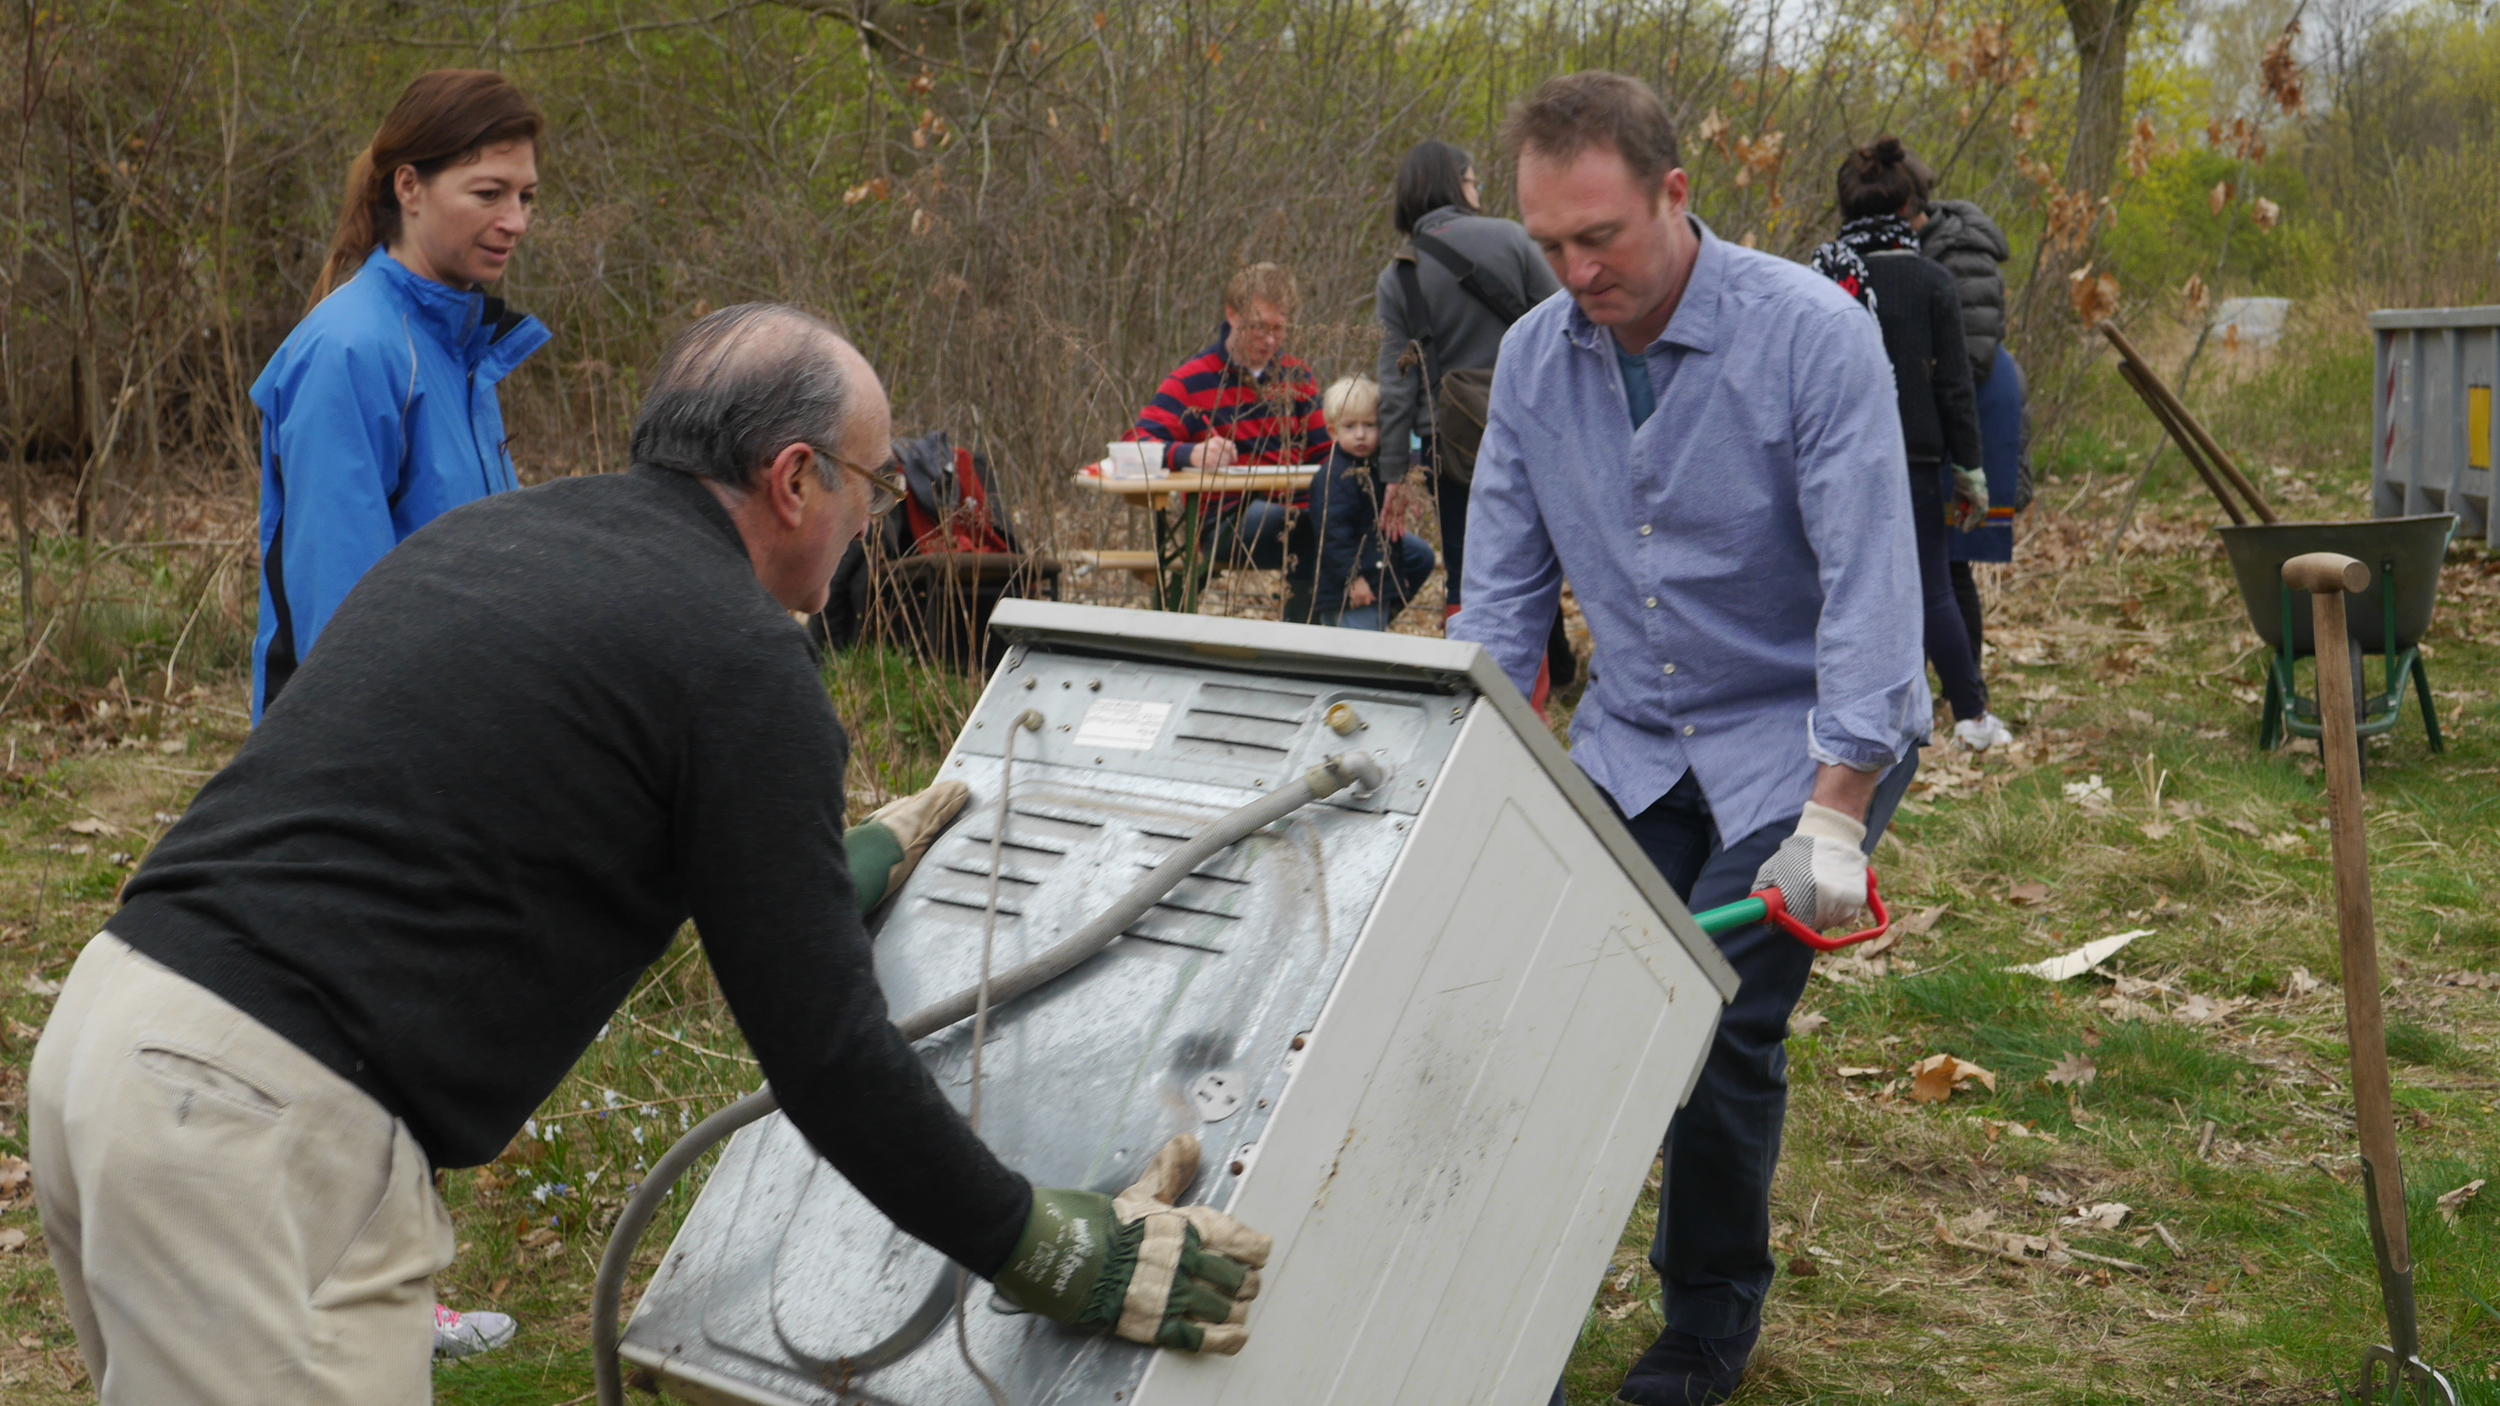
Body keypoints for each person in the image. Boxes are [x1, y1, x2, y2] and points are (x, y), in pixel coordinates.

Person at [28, 305, 1271, 1405]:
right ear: (793, 479)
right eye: (874, 486)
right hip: (260, 1130)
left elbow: (501, 830)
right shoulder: (737, 654)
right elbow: (826, 1053)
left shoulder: (495, 544)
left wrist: (823, 868)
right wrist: (1041, 1245)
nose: (874, 520)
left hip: (110, 1043)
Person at [1453, 74, 1928, 1406]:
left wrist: (1835, 815)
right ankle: (1501, 1313)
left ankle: (1708, 1314)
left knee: (1712, 1018)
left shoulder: (1814, 339)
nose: (1575, 269)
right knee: (1561, 1006)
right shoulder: (1539, 364)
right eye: (1549, 244)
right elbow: (1496, 605)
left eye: (1599, 235)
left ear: (1675, 193)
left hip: (1803, 738)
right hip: (1639, 737)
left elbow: (1873, 596)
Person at [250, 69, 552, 727]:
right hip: (371, 758)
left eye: (526, 196)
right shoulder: (351, 350)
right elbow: (342, 624)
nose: (516, 220)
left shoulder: (458, 346)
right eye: (488, 193)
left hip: (453, 739)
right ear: (409, 187)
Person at [1809, 138, 2013, 753]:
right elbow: (1954, 385)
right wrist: (1970, 469)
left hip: (1835, 458)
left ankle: (1841, 708)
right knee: (1932, 588)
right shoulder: (1930, 280)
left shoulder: (1821, 275)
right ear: (1907, 213)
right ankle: (1972, 718)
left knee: (1837, 588)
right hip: (1916, 457)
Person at [1372, 139, 1576, 698]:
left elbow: (1396, 383)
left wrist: (1393, 472)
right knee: (1558, 549)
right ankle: (1557, 674)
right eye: (1473, 180)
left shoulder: (1401, 273)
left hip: (1449, 444)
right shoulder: (1511, 238)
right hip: (1538, 427)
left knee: (1474, 570)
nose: (1478, 191)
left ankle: (1492, 695)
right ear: (1454, 183)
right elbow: (1571, 322)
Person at [1122, 262, 1329, 608]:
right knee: (1306, 527)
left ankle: (1338, 643)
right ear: (1231, 315)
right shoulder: (1191, 380)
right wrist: (1190, 455)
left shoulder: (1298, 378)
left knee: (1412, 556)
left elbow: (1326, 453)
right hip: (1226, 523)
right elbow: (1133, 446)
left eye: (1279, 329)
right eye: (1258, 327)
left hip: (1301, 511)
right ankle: (1300, 648)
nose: (1269, 340)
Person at [1916, 192, 2030, 675]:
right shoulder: (1931, 243)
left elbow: (1973, 350)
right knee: (1933, 560)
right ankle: (1948, 687)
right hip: (1951, 402)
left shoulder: (1959, 251)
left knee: (1947, 560)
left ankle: (1967, 691)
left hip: (1971, 405)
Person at [1301, 376, 1435, 629]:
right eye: (1350, 426)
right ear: (1333, 431)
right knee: (1355, 660)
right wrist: (1353, 580)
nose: (1361, 435)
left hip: (1375, 586)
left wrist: (1395, 577)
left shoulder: (1373, 470)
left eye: (1370, 425)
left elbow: (1379, 533)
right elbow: (1334, 538)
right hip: (1350, 593)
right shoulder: (1336, 477)